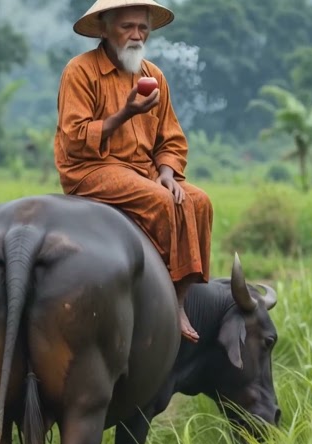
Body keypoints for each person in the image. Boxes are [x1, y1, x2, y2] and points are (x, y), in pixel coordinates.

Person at [54, 0, 214, 342]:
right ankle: (160, 297)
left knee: (198, 201)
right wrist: (124, 113)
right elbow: (74, 139)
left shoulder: (152, 76)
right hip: (90, 167)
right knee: (160, 201)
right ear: (103, 28)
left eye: (143, 28)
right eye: (127, 27)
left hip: (143, 170)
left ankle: (180, 298)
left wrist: (168, 171)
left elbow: (170, 138)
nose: (136, 35)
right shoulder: (80, 71)